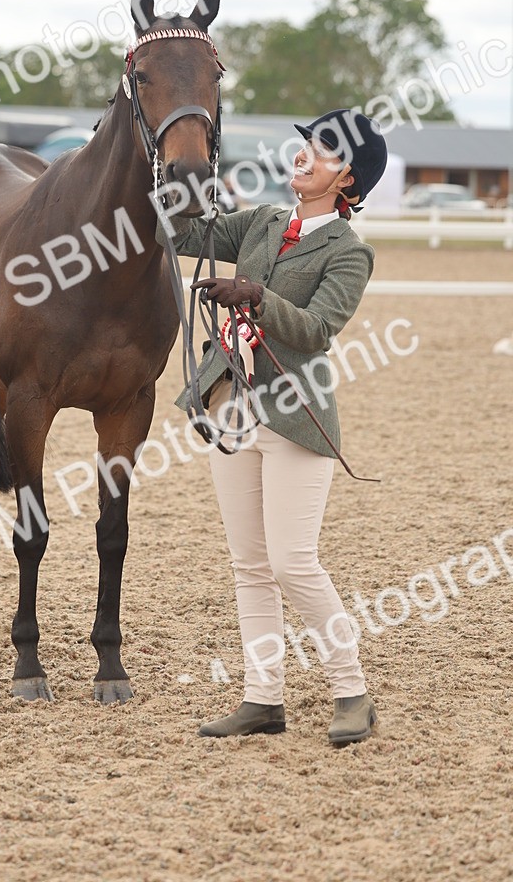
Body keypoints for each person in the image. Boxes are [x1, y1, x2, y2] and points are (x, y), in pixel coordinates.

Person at [159, 108, 388, 746]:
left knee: (293, 562)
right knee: (250, 565)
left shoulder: (349, 252)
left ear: (348, 180)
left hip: (296, 418)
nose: (304, 156)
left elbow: (316, 330)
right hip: (231, 407)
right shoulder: (261, 221)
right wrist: (179, 181)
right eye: (306, 145)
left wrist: (255, 296)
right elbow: (184, 236)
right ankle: (263, 699)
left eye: (323, 151)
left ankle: (352, 691)